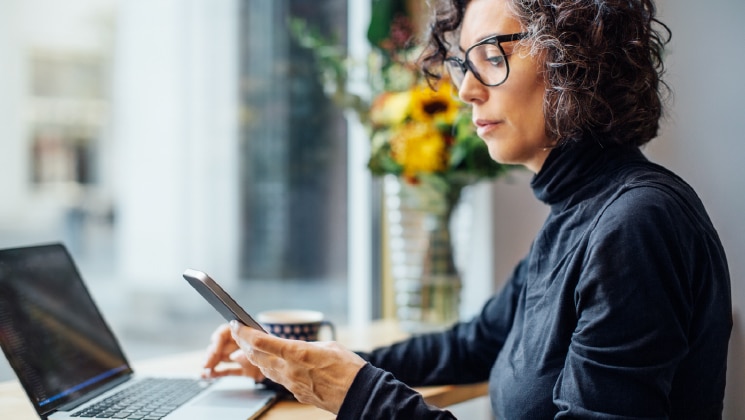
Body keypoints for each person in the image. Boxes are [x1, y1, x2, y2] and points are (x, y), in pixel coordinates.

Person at [202, 0, 733, 418]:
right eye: (463, 62)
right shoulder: (580, 214)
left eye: (492, 57)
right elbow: (472, 344)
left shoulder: (636, 224)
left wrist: (359, 395)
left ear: (577, 59)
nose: (464, 90)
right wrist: (296, 368)